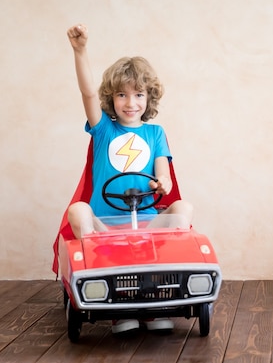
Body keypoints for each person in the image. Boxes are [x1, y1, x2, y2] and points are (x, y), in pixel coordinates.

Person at [66, 23, 193, 334]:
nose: (130, 102)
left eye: (138, 94)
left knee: (183, 208)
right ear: (111, 98)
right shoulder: (104, 128)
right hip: (106, 226)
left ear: (149, 97)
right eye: (122, 95)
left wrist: (161, 184)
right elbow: (86, 92)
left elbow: (163, 174)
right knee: (78, 211)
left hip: (146, 223)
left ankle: (156, 304)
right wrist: (80, 50)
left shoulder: (155, 133)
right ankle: (114, 305)